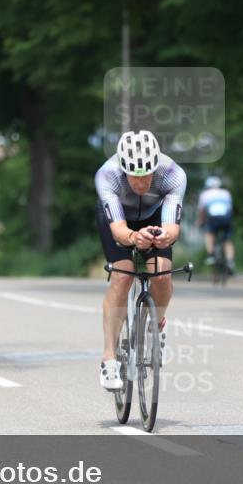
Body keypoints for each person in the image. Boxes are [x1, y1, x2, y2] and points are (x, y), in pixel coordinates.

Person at [95, 129, 186, 391]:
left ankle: (155, 327)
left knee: (162, 273)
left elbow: (173, 227)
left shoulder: (173, 174)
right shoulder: (107, 174)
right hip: (119, 219)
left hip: (155, 217)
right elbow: (119, 231)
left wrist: (163, 235)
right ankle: (109, 358)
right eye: (134, 176)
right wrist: (135, 237)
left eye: (147, 174)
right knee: (122, 276)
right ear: (123, 168)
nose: (141, 182)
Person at [196, 175, 235, 272]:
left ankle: (211, 255)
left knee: (209, 234)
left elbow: (202, 211)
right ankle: (230, 261)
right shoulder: (226, 193)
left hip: (213, 218)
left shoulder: (205, 194)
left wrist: (200, 221)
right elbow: (230, 208)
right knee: (227, 240)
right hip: (226, 218)